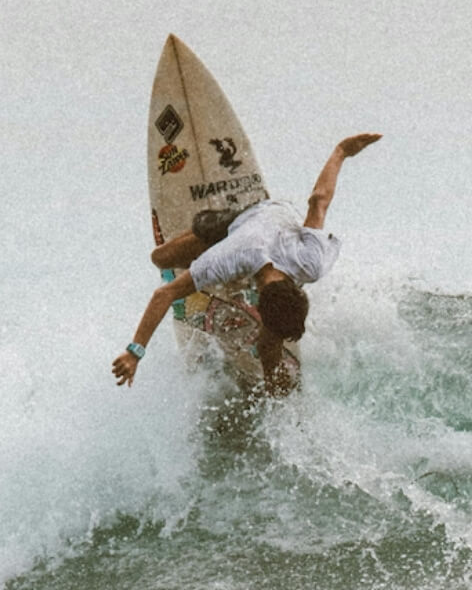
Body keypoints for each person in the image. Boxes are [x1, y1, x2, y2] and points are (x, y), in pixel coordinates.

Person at [112, 133, 381, 394]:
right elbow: (165, 293)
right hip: (240, 221)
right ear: (260, 304)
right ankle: (201, 255)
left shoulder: (310, 262)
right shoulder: (228, 257)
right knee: (160, 258)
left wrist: (341, 151)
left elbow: (318, 201)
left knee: (269, 346)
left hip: (279, 219)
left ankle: (276, 400)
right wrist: (135, 351)